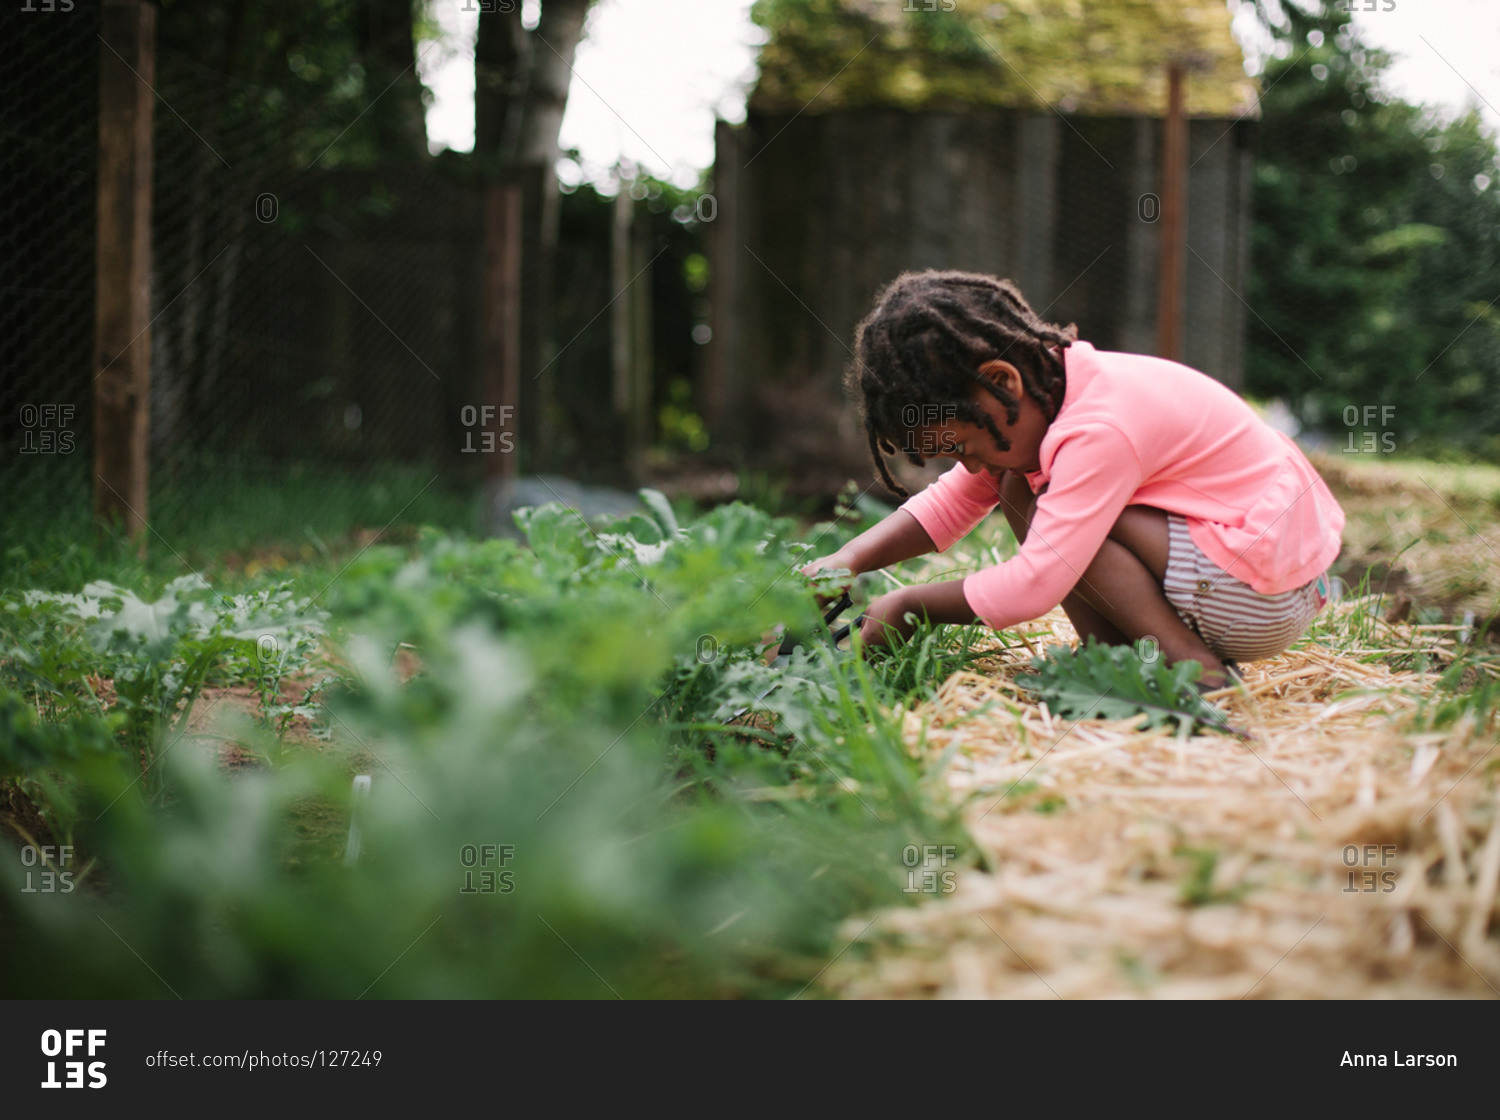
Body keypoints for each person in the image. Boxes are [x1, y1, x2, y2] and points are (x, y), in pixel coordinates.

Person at [800, 270, 1344, 691]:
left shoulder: (1099, 429)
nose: (967, 467)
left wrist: (907, 603)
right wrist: (844, 561)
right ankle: (1116, 661)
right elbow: (950, 505)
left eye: (964, 447)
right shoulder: (1056, 397)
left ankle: (1198, 673)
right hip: (1258, 578)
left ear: (1002, 382)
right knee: (1016, 484)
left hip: (1259, 598)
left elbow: (1034, 585)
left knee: (1042, 508)